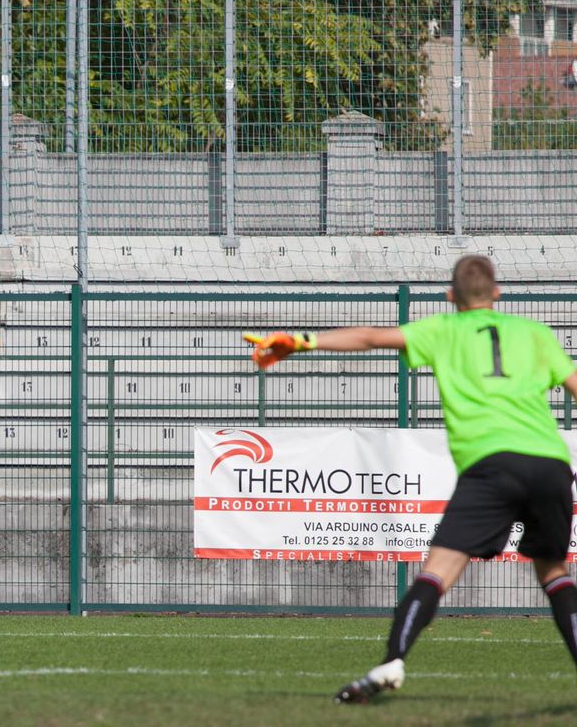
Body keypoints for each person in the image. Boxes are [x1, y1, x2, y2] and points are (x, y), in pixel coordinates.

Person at [245, 254, 577, 702]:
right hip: (550, 463)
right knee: (555, 571)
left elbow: (368, 337)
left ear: (449, 297)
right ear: (497, 294)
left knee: (437, 571)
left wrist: (300, 341)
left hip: (492, 463)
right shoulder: (536, 334)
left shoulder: (442, 329)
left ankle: (392, 661)